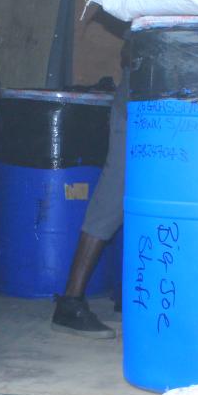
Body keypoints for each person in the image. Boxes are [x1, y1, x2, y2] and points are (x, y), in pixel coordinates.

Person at [51, 43, 129, 338]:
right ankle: (70, 302)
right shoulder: (154, 3)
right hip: (143, 104)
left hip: (182, 106)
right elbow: (129, 52)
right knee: (113, 197)